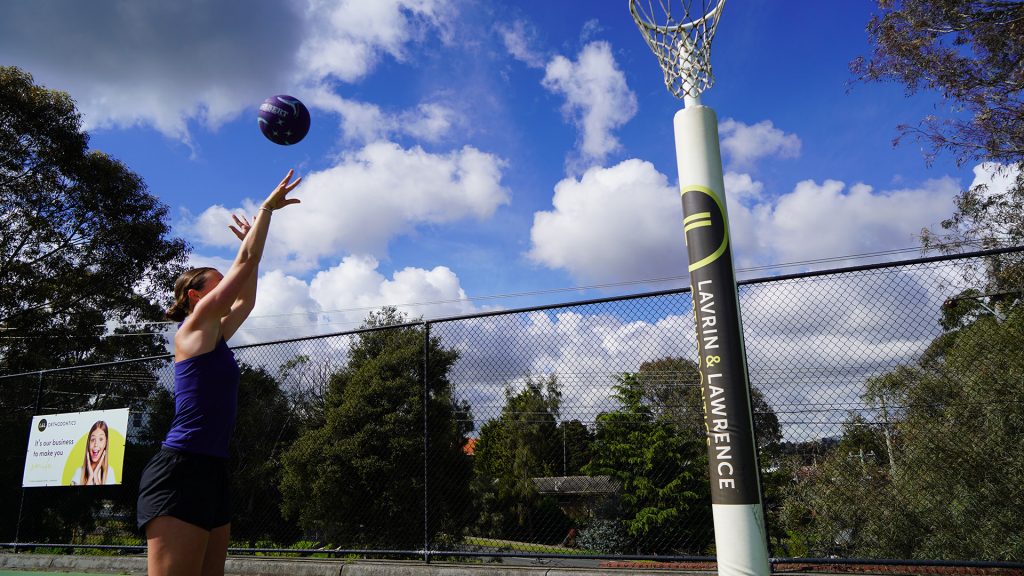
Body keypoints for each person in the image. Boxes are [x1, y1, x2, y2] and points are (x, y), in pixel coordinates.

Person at [136, 170, 301, 576]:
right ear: (196, 296)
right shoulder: (193, 330)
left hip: (213, 469)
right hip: (180, 470)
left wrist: (250, 243)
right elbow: (246, 262)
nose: (226, 286)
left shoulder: (217, 336)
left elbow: (246, 298)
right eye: (218, 283)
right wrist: (266, 212)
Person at [71, 420, 117, 485]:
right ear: (88, 443)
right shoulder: (79, 472)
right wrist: (90, 478)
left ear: (105, 443)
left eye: (100, 439)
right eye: (92, 440)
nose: (96, 444)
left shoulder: (109, 472)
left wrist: (96, 477)